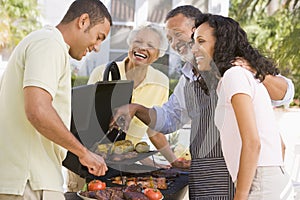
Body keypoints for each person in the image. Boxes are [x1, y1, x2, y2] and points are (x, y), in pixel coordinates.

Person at [110, 5, 295, 200]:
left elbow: (284, 93)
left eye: (178, 34)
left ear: (198, 29)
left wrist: (253, 69)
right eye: (170, 38)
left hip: (240, 176)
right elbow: (169, 118)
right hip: (205, 178)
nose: (174, 43)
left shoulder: (236, 72)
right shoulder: (188, 78)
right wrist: (137, 109)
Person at [0, 0, 112, 199]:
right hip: (31, 182)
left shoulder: (42, 42)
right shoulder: (49, 43)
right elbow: (38, 110)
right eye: (99, 37)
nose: (97, 47)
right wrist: (83, 153)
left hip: (26, 180)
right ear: (83, 21)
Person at [192, 13, 295, 199]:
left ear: (221, 43)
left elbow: (253, 142)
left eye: (201, 41)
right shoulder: (243, 77)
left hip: (261, 184)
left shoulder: (234, 76)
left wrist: (240, 195)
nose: (194, 49)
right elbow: (280, 145)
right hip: (270, 180)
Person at [67, 23, 180, 192]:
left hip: (122, 166)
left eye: (150, 45)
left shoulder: (161, 83)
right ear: (129, 44)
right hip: (86, 161)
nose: (142, 47)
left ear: (158, 55)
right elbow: (82, 121)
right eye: (138, 41)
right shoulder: (102, 73)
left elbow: (154, 130)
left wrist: (174, 161)